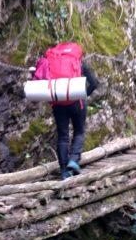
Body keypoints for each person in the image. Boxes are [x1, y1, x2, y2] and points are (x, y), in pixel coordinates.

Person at [33, 42, 99, 179]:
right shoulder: (79, 64)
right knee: (79, 132)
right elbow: (94, 83)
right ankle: (74, 160)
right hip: (76, 102)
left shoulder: (52, 63)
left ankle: (64, 171)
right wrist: (84, 94)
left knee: (63, 136)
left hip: (58, 101)